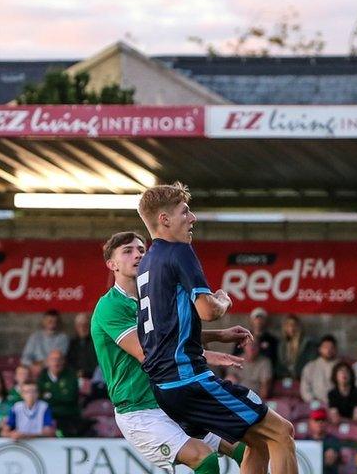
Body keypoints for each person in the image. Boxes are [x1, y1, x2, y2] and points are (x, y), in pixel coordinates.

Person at [135, 184, 297, 473]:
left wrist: (218, 337)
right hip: (189, 380)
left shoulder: (147, 262)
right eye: (185, 211)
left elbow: (164, 330)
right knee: (282, 433)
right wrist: (223, 299)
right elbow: (208, 310)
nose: (193, 218)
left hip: (166, 388)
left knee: (258, 441)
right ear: (165, 219)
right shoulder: (179, 252)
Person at [92, 231, 249, 474]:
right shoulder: (110, 306)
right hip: (139, 410)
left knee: (243, 447)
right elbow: (149, 352)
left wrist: (218, 335)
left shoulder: (151, 298)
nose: (137, 255)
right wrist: (205, 355)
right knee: (205, 459)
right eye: (128, 251)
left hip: (171, 398)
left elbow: (167, 337)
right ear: (111, 264)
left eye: (142, 250)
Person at [37, 349, 85, 436]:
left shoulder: (71, 375)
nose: (56, 362)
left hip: (68, 417)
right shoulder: (42, 377)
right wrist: (60, 395)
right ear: (47, 362)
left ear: (63, 361)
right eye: (53, 359)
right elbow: (39, 399)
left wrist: (50, 396)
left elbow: (70, 398)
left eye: (59, 359)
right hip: (47, 416)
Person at [301, 408, 343, 474]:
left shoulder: (333, 441)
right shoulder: (304, 441)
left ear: (327, 423)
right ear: (310, 422)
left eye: (323, 420)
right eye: (316, 420)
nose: (320, 423)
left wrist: (333, 455)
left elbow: (334, 458)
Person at [301, 335, 340, 405]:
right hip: (315, 404)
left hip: (335, 405)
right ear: (320, 349)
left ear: (335, 349)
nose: (328, 350)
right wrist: (313, 401)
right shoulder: (310, 366)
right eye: (325, 347)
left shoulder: (340, 366)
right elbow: (305, 389)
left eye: (331, 347)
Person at [277, 315, 315, 380]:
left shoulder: (307, 343)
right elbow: (280, 364)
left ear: (299, 327)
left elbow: (310, 363)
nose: (291, 328)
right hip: (285, 378)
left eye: (294, 325)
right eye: (288, 325)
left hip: (303, 377)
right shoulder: (282, 344)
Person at [66, 312, 98, 381]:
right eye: (79, 325)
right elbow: (69, 361)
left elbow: (97, 362)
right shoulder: (72, 343)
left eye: (85, 325)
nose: (82, 328)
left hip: (93, 378)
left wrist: (85, 373)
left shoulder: (95, 342)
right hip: (75, 377)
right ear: (76, 327)